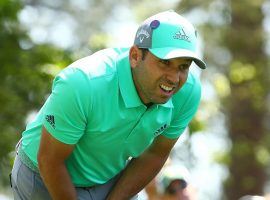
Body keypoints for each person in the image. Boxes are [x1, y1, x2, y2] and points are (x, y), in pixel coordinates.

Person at [10, 10, 206, 200]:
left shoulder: (187, 92)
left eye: (183, 66)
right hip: (42, 175)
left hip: (107, 179)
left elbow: (155, 154)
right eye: (164, 62)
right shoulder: (83, 83)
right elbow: (50, 161)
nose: (174, 78)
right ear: (135, 56)